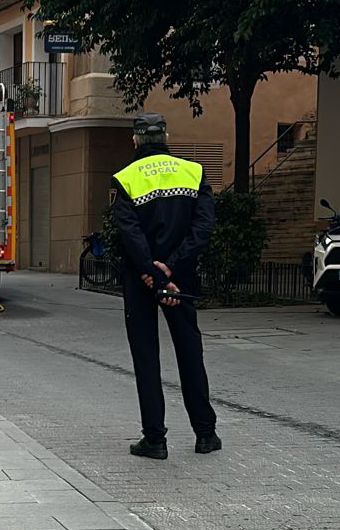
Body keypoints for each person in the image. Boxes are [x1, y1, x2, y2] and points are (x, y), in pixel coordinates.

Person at [110, 113, 220, 460]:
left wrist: (152, 273)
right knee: (190, 353)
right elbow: (202, 229)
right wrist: (172, 269)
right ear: (167, 136)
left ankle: (155, 439)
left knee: (147, 358)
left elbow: (130, 234)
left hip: (141, 279)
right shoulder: (194, 173)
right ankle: (205, 434)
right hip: (181, 278)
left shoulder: (125, 178)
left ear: (135, 141)